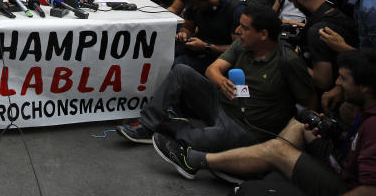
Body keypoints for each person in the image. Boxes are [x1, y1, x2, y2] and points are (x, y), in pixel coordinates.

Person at [154, 49, 376, 193]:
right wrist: (337, 134)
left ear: (365, 86)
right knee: (300, 124)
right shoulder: (361, 109)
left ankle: (193, 160)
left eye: (344, 79)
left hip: (346, 183)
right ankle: (259, 166)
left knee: (276, 150)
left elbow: (368, 189)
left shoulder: (373, 125)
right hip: (341, 156)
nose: (337, 82)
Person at [117, 3, 316, 151]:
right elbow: (212, 69)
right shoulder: (243, 44)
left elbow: (309, 104)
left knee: (198, 142)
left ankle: (172, 127)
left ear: (263, 34)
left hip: (247, 128)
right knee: (182, 71)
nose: (238, 31)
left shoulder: (288, 62)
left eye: (245, 28)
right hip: (222, 105)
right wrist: (221, 81)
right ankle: (148, 124)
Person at [282, 0, 357, 92]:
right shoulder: (340, 15)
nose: (295, 7)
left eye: (293, 1)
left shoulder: (317, 32)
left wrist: (295, 61)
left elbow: (322, 82)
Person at [173, 0, 246, 74]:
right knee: (166, 55)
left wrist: (207, 47)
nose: (194, 8)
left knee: (177, 65)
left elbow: (238, 50)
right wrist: (183, 35)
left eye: (197, 4)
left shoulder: (235, 10)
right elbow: (187, 28)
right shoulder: (195, 2)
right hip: (199, 49)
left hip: (221, 60)